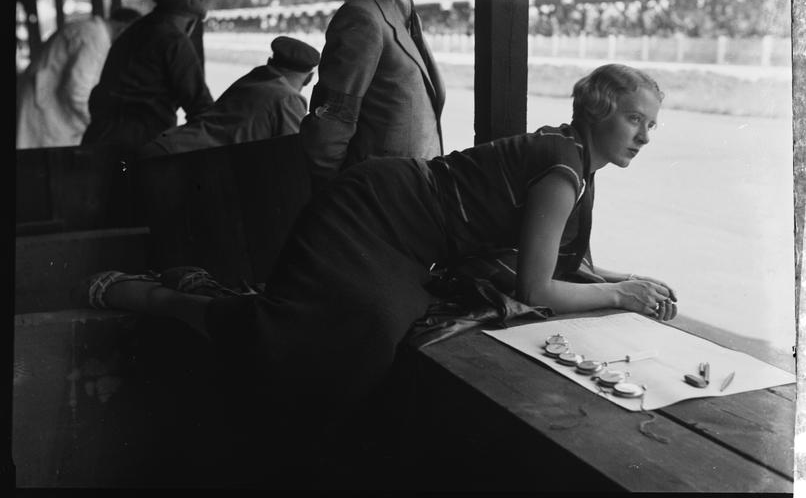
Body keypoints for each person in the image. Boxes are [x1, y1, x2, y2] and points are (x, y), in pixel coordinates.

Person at [74, 63, 677, 483]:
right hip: (377, 212)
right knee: (315, 336)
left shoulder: (570, 154)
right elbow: (536, 287)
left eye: (651, 123)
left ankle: (208, 302)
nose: (645, 136)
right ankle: (159, 297)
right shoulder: (564, 169)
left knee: (355, 340)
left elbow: (559, 266)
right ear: (597, 115)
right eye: (634, 120)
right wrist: (623, 292)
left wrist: (627, 283)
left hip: (403, 229)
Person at [299, 0, 445, 184]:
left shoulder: (406, 12)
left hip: (414, 193)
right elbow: (330, 125)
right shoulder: (363, 17)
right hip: (380, 199)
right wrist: (339, 200)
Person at [81, 0, 214, 155]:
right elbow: (199, 102)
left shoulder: (131, 32)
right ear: (190, 22)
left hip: (100, 136)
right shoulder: (174, 39)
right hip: (142, 143)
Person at [139, 36, 320, 158]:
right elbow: (294, 155)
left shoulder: (252, 79)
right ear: (309, 78)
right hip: (181, 161)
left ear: (270, 62)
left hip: (164, 147)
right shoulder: (288, 98)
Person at [15, 8, 141, 149]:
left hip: (45, 106)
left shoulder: (91, 31)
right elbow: (78, 92)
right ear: (124, 29)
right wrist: (101, 124)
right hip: (43, 110)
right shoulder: (94, 36)